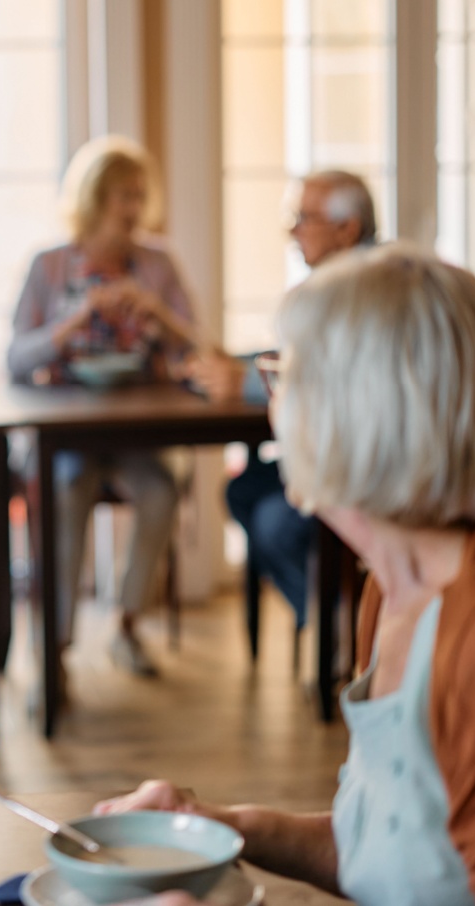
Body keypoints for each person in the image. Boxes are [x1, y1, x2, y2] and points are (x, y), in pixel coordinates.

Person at [97, 245, 475, 904]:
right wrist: (217, 827)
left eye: (289, 377)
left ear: (363, 420)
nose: (275, 405)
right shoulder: (394, 591)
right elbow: (394, 850)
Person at [8, 135, 197, 677]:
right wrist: (72, 323)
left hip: (138, 434)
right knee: (66, 492)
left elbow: (196, 347)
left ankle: (128, 627)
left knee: (162, 491)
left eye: (140, 196)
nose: (135, 210)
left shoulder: (157, 265)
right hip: (66, 437)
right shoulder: (48, 267)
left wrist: (159, 312)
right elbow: (16, 358)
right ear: (94, 201)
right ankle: (57, 648)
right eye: (124, 197)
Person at [189, 170, 377, 630]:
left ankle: (340, 627)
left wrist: (245, 382)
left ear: (347, 228)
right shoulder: (336, 283)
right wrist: (236, 366)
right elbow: (303, 359)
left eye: (304, 218)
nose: (292, 230)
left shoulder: (368, 287)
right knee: (242, 490)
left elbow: (337, 380)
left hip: (368, 462)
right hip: (338, 451)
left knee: (274, 519)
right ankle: (327, 618)